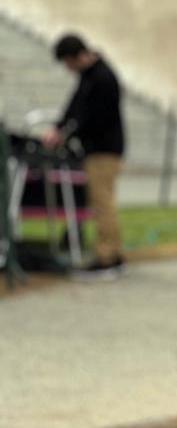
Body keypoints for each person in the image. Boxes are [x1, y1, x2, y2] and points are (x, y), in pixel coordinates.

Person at [42, 34, 125, 277]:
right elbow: (74, 106)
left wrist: (67, 134)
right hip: (97, 149)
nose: (68, 68)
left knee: (102, 204)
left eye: (68, 62)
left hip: (104, 150)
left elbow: (94, 118)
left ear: (77, 56)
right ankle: (112, 254)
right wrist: (59, 128)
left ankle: (107, 258)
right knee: (102, 203)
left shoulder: (102, 78)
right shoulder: (88, 76)